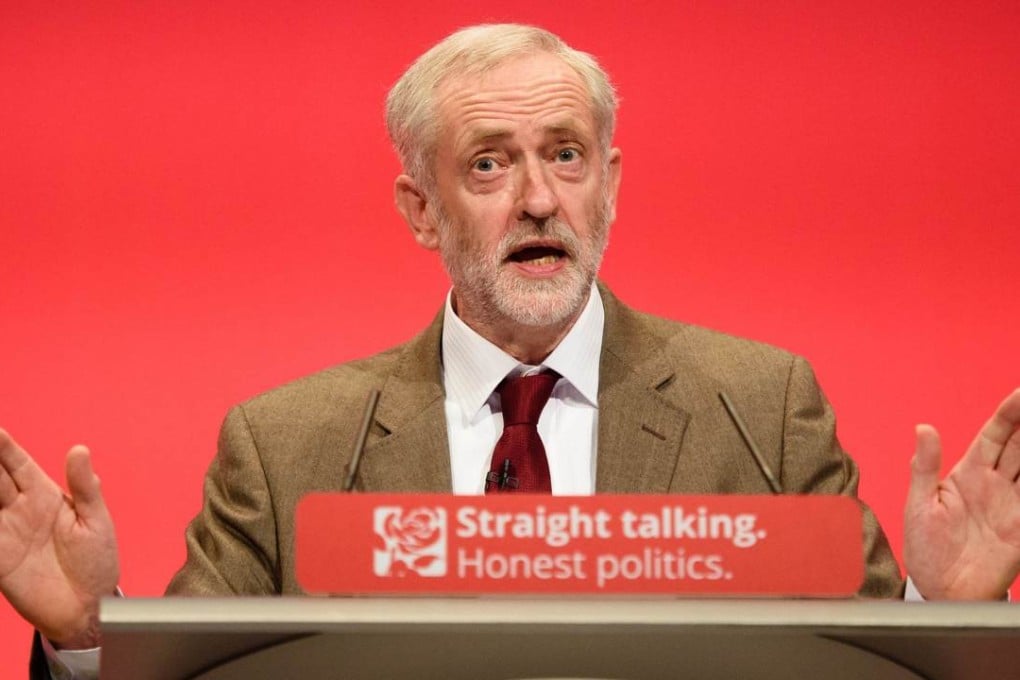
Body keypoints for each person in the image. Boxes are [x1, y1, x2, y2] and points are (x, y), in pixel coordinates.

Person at [2, 22, 1019, 679]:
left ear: (609, 182)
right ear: (420, 208)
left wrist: (947, 614)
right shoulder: (286, 446)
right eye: (490, 163)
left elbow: (873, 663)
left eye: (565, 154)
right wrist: (88, 638)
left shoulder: (759, 407)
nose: (539, 197)